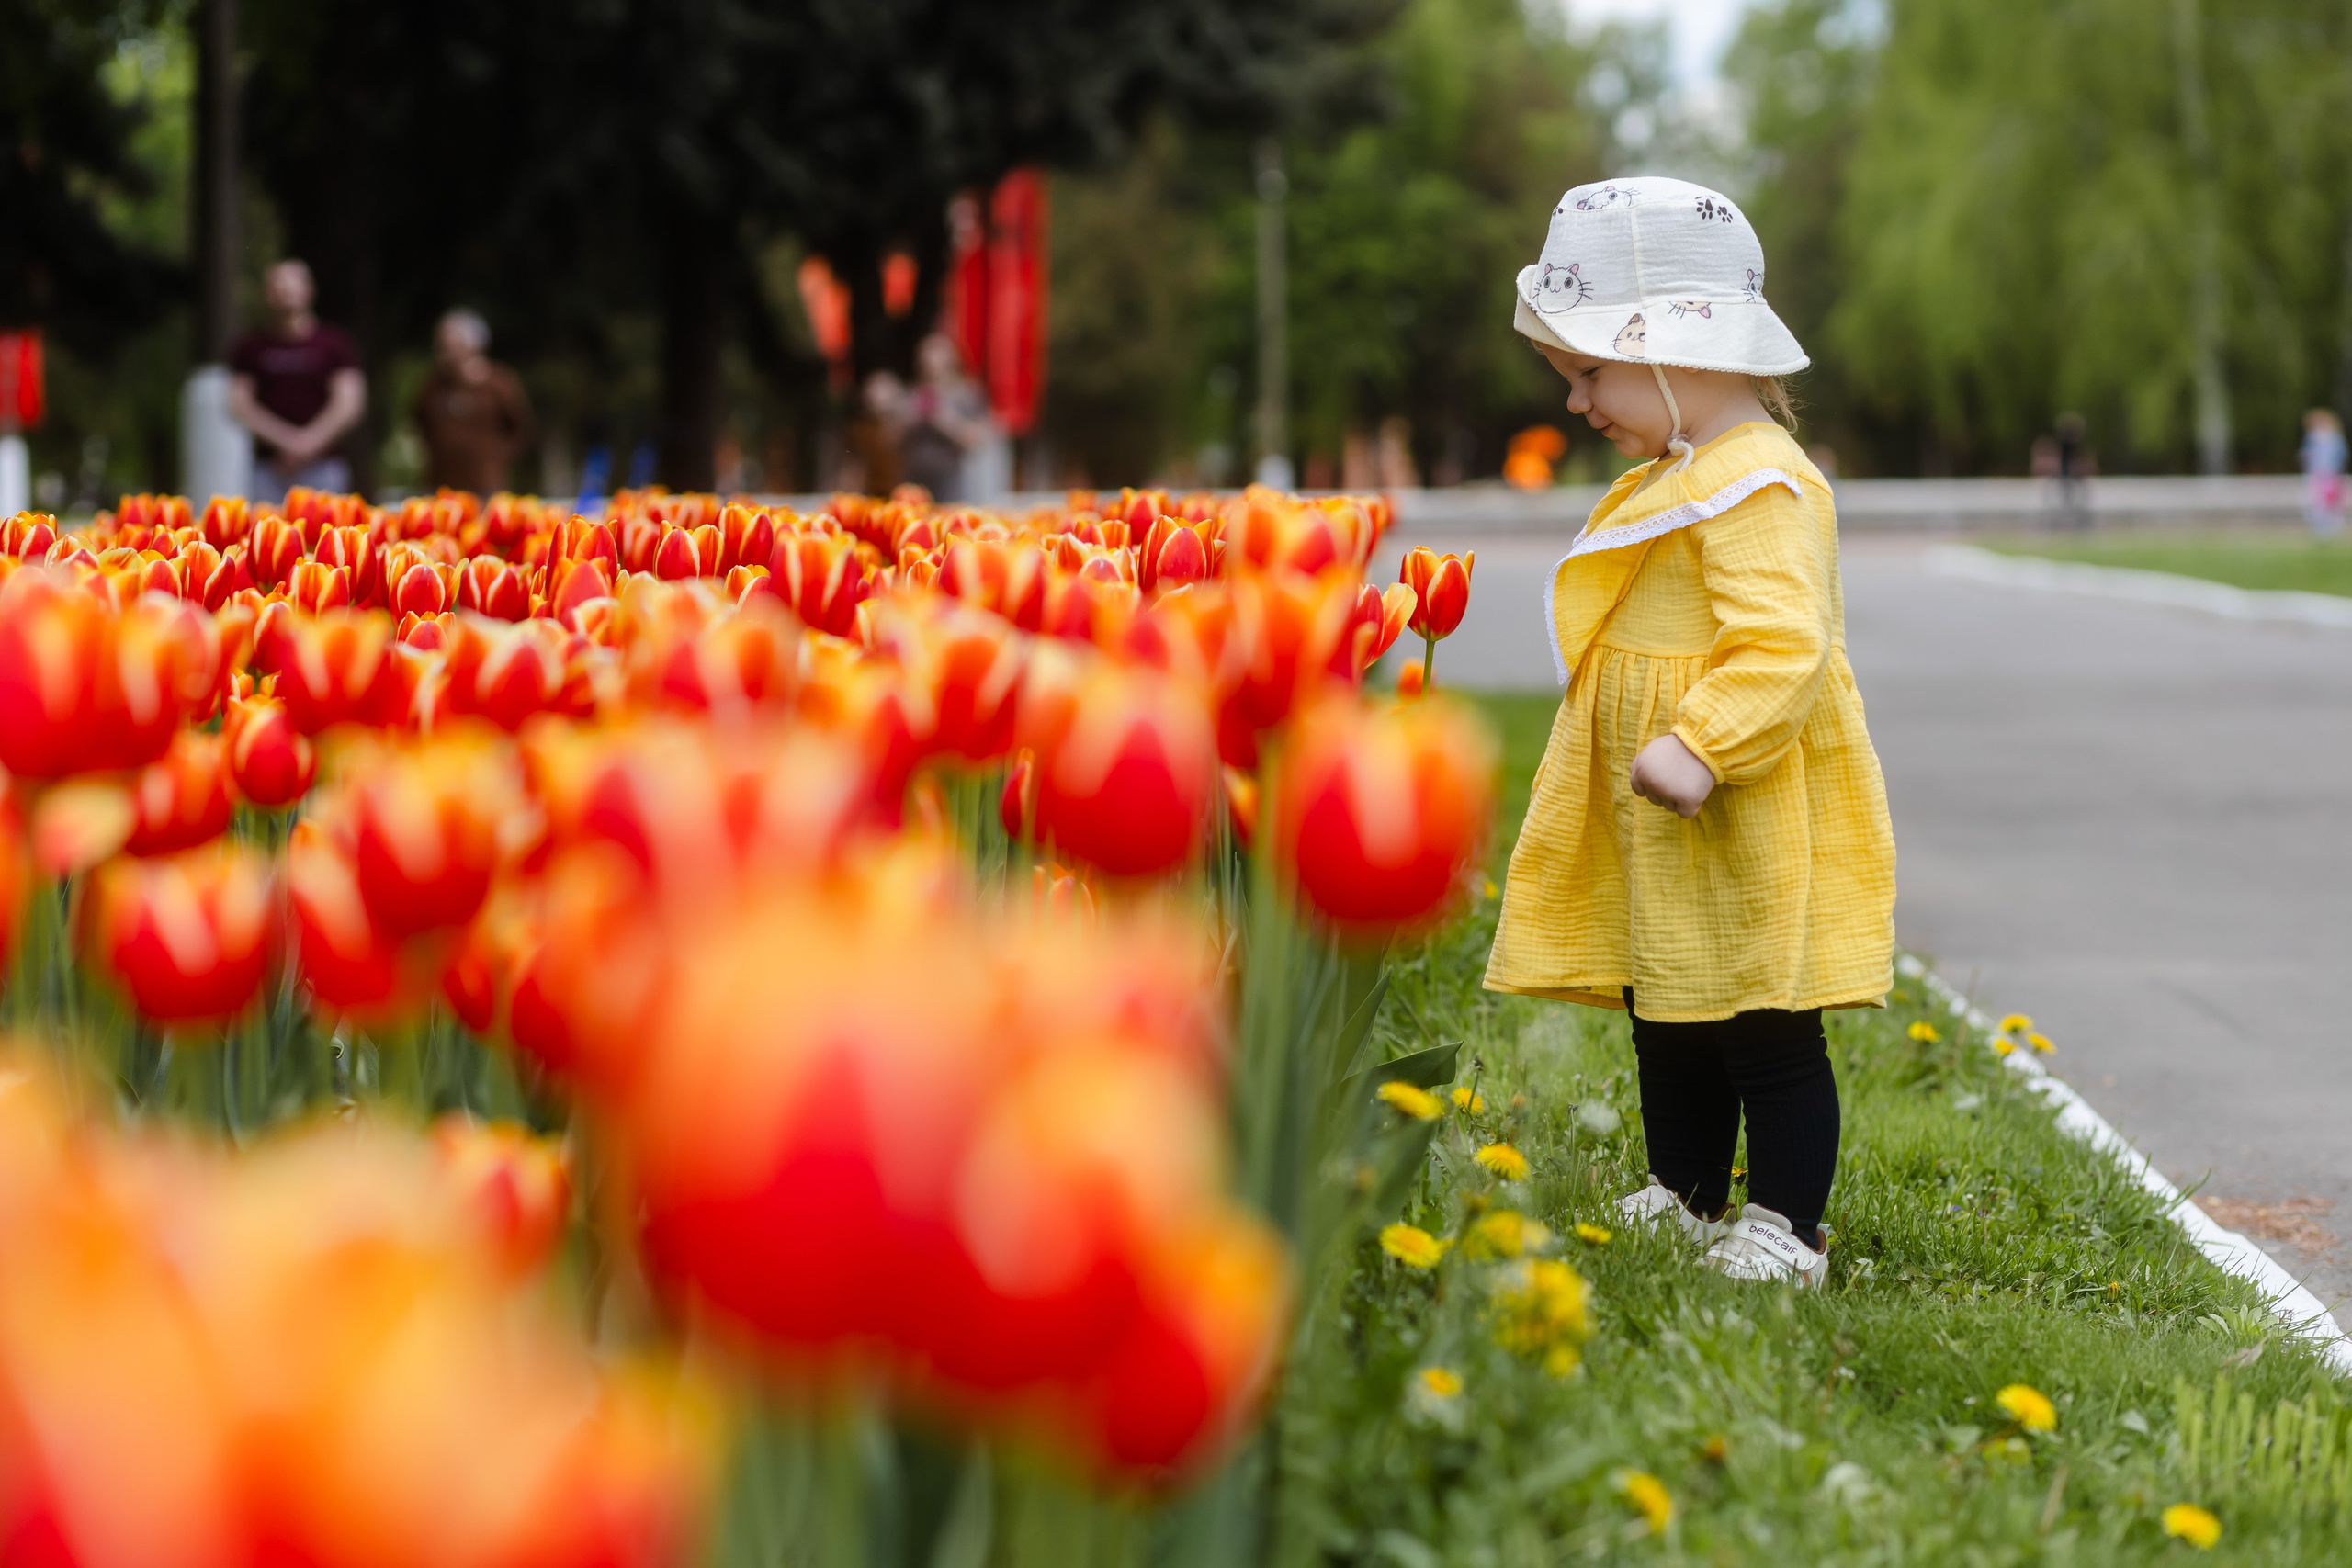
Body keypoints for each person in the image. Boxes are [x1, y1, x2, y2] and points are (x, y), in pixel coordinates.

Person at [1484, 177, 1897, 1288]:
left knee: (1760, 1016)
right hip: (1669, 817)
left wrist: (1702, 740)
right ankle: (1685, 1192)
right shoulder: (1687, 471)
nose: (1576, 401)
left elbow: (1782, 642)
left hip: (1736, 800)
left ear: (1671, 345)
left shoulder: (1759, 482)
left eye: (1587, 372)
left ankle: (1786, 1224)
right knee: (1664, 1001)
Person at [228, 259, 367, 502]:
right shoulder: (250, 347)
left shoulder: (335, 345)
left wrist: (309, 442)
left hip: (324, 467)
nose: (285, 291)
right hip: (269, 470)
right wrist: (286, 441)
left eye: (292, 283)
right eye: (278, 285)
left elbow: (349, 403)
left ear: (309, 290)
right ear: (267, 294)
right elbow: (240, 404)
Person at [411, 310, 533, 495]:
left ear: (472, 345)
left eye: (448, 344)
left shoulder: (499, 383)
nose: (440, 349)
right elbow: (419, 422)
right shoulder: (432, 385)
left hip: (487, 486)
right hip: (440, 486)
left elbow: (521, 427)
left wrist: (496, 459)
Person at [899, 333, 995, 502]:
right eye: (926, 358)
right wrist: (908, 420)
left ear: (951, 360)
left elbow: (979, 439)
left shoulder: (965, 393)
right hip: (914, 477)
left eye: (937, 357)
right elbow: (890, 439)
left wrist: (944, 420)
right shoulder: (913, 393)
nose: (931, 363)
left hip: (950, 480)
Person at [2302, 409, 2346, 538]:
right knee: (2316, 501)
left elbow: (2340, 456)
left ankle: (2330, 529)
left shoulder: (2334, 438)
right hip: (2316, 475)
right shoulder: (2311, 438)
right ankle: (2319, 528)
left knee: (2330, 501)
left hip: (2330, 474)